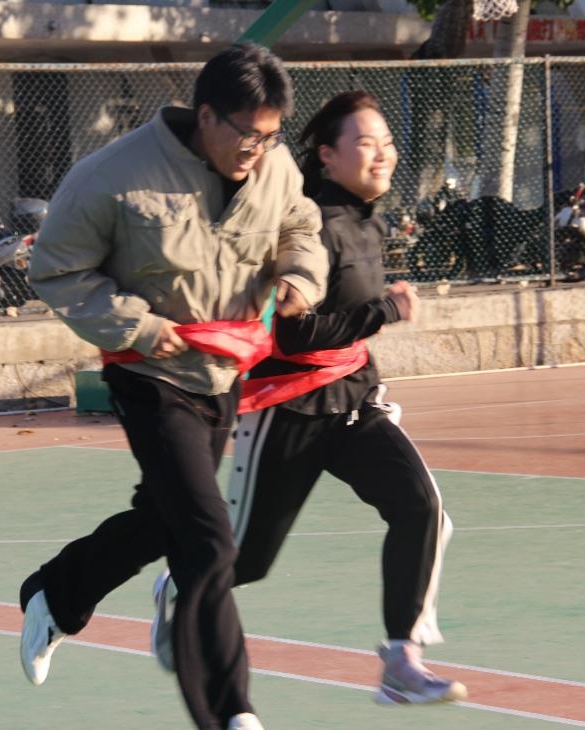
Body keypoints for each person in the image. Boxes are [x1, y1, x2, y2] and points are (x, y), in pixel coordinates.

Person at [18, 43, 329, 730]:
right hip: (150, 376)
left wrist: (299, 277)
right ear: (206, 114)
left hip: (224, 374)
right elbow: (57, 269)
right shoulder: (113, 176)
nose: (257, 149)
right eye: (246, 133)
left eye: (269, 135)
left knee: (166, 518)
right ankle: (230, 711)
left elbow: (300, 226)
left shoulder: (275, 166)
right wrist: (136, 324)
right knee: (208, 542)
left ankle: (56, 592)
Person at [151, 90, 467, 706]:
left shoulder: (369, 217)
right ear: (327, 155)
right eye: (366, 143)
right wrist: (383, 311)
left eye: (388, 142)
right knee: (247, 560)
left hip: (354, 400)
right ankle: (179, 585)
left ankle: (401, 661)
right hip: (289, 406)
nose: (383, 154)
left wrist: (372, 330)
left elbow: (348, 324)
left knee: (422, 509)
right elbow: (292, 333)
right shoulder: (311, 223)